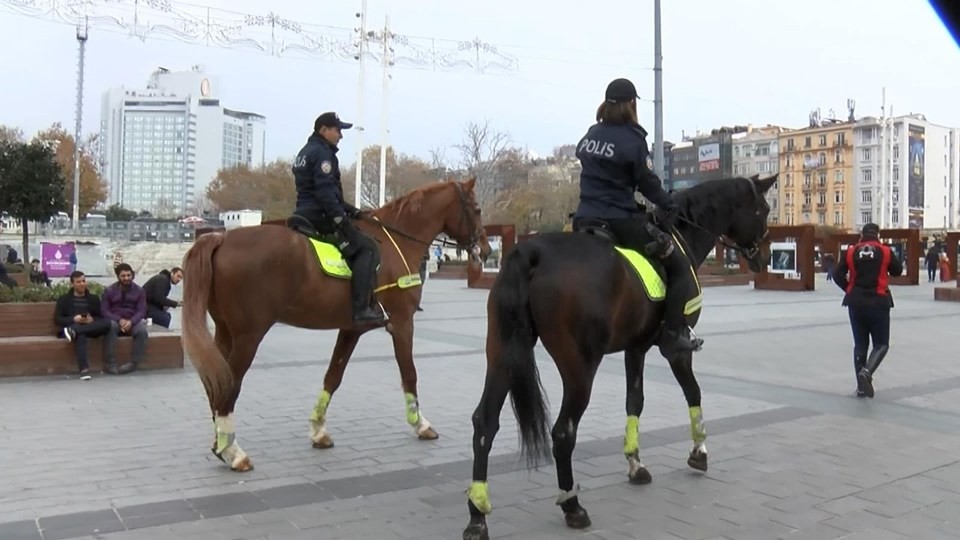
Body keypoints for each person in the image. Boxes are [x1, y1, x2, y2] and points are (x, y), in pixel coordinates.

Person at [571, 77, 701, 358]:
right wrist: (669, 203)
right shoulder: (633, 140)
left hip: (583, 219)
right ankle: (673, 333)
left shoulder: (591, 135)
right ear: (632, 104)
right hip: (619, 220)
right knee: (678, 267)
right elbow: (647, 182)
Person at [291, 112, 385, 327]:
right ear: (324, 130)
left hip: (302, 212)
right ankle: (361, 309)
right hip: (320, 216)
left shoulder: (305, 152)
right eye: (338, 130)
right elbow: (325, 195)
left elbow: (327, 194)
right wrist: (341, 221)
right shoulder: (324, 154)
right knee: (367, 249)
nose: (341, 135)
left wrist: (355, 212)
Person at [832, 223, 904, 398]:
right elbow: (897, 271)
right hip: (878, 302)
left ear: (861, 235)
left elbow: (836, 274)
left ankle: (861, 387)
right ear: (877, 234)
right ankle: (867, 372)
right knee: (881, 344)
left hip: (855, 303)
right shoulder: (885, 251)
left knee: (860, 345)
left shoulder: (850, 251)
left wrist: (849, 288)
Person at [54, 271, 114, 377]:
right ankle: (84, 369)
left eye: (83, 281)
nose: (82, 284)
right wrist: (74, 319)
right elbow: (58, 319)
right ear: (72, 284)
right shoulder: (64, 299)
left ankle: (74, 332)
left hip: (91, 327)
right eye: (78, 282)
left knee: (108, 323)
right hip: (73, 325)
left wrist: (92, 320)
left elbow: (100, 316)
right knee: (80, 335)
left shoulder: (93, 298)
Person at [101, 263, 149, 375]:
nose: (126, 278)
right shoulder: (109, 291)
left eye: (128, 275)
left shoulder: (140, 291)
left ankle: (133, 363)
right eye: (123, 276)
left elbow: (141, 311)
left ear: (132, 275)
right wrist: (119, 320)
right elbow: (104, 311)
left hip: (132, 320)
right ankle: (110, 364)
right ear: (118, 276)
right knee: (110, 326)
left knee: (142, 331)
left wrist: (131, 321)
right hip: (115, 320)